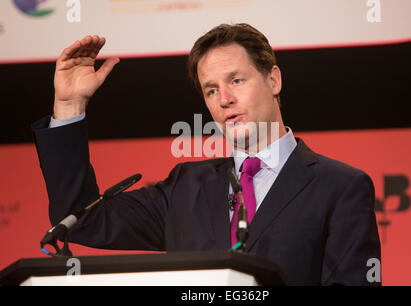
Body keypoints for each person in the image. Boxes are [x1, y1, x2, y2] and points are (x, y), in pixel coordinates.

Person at [32, 24, 381, 285]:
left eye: (236, 81)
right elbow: (82, 219)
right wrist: (69, 105)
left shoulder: (340, 186)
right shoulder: (186, 186)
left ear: (273, 80)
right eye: (211, 89)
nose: (223, 99)